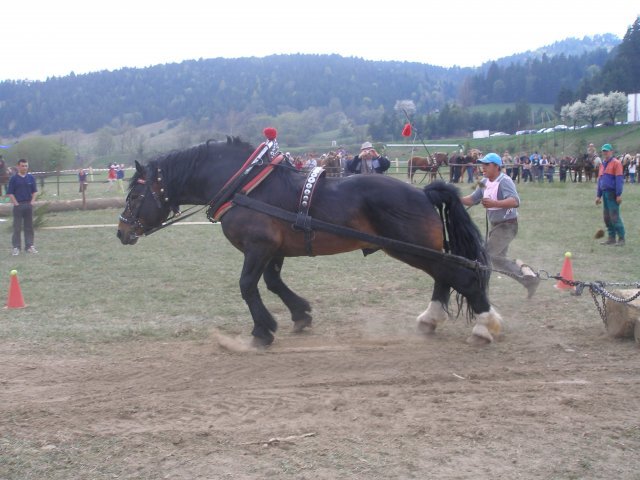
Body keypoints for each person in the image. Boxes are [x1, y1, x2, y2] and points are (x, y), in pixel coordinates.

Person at [461, 153, 540, 298]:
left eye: (487, 164)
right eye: (482, 164)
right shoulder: (484, 181)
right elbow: (473, 199)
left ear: (497, 166)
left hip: (507, 225)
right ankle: (529, 280)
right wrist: (454, 197)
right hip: (496, 226)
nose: (483, 167)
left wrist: (494, 203)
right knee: (498, 260)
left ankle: (476, 290)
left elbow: (515, 201)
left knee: (487, 255)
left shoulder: (505, 181)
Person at [6, 159, 38, 255]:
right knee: (17, 227)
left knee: (29, 227)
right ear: (18, 167)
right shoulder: (13, 179)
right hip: (18, 205)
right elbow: (10, 193)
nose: (24, 168)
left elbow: (35, 191)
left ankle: (29, 246)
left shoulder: (31, 178)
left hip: (28, 205)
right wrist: (16, 203)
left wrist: (32, 202)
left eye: (26, 166)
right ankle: (16, 247)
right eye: (22, 166)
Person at [596, 143, 625, 246]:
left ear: (611, 151)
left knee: (614, 216)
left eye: (607, 151)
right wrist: (598, 196)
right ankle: (611, 238)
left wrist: (618, 194)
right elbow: (600, 181)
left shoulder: (616, 163)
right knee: (607, 217)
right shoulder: (602, 164)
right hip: (604, 193)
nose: (605, 153)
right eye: (603, 151)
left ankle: (621, 239)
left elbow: (619, 180)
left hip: (612, 193)